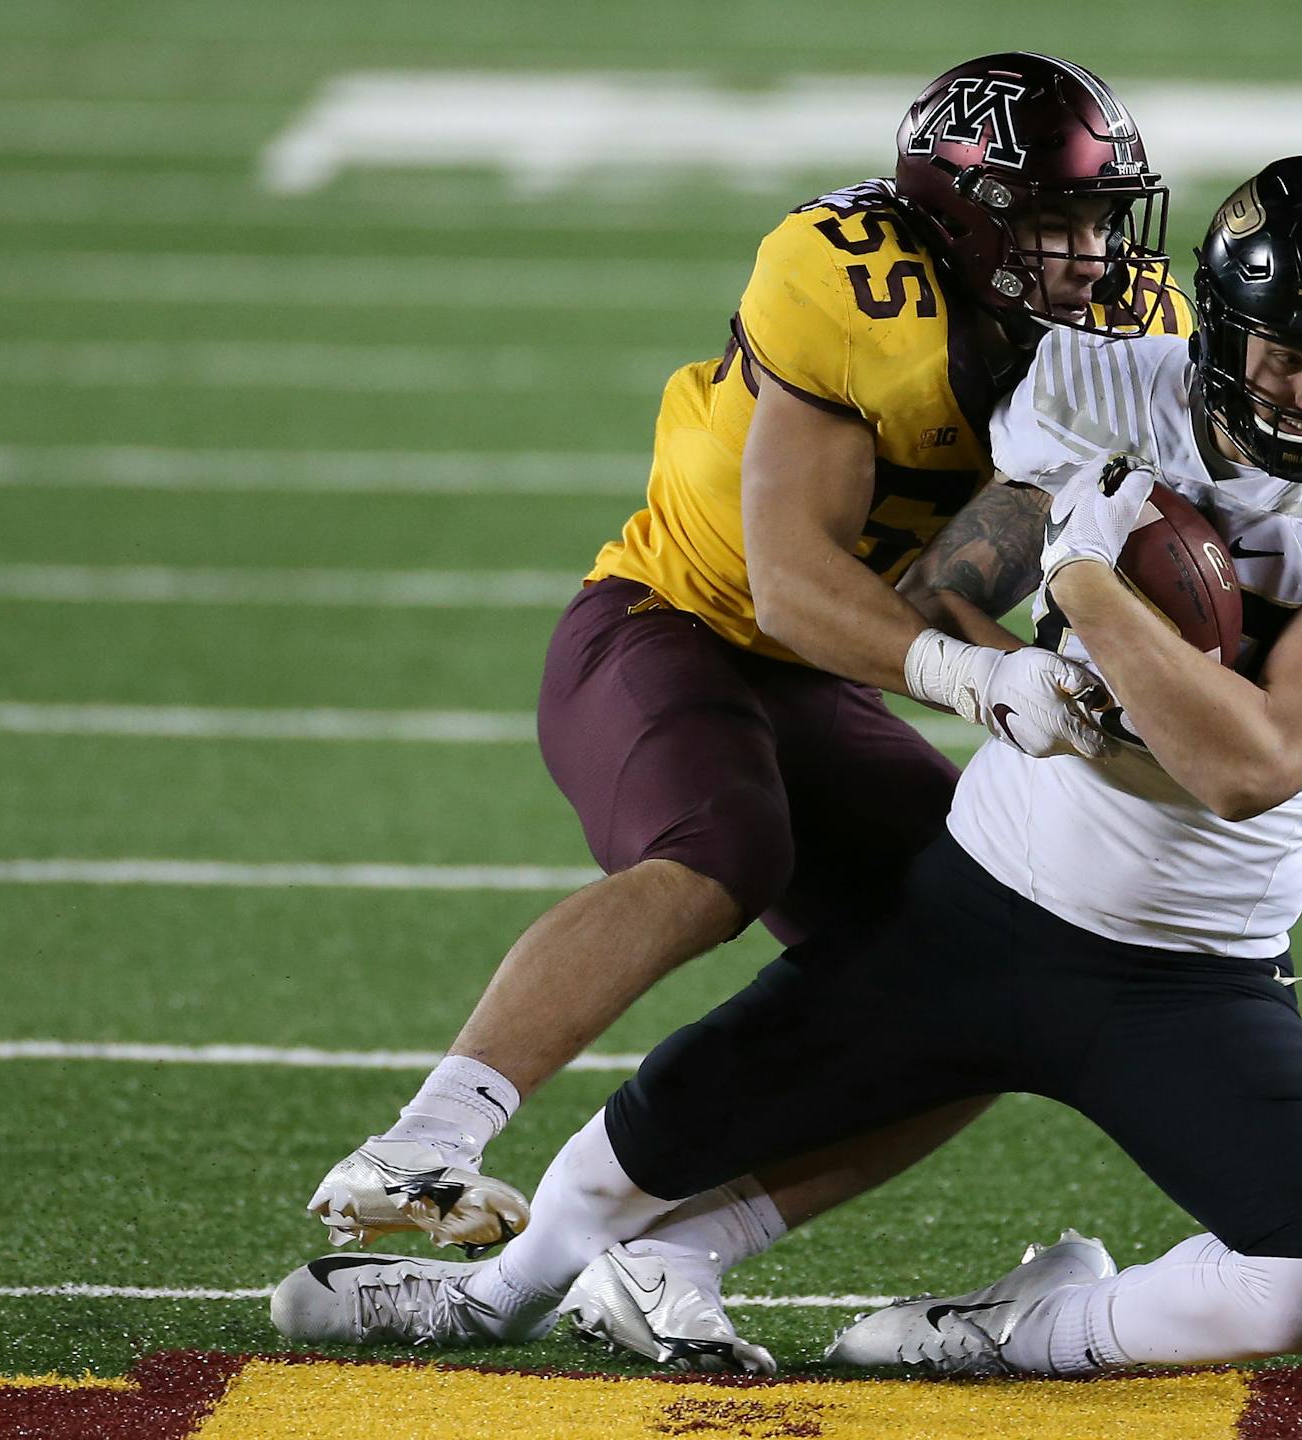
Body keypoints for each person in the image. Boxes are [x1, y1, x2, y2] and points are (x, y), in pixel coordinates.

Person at [272, 155, 1302, 1377]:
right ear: (1223, 330)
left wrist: (1083, 583)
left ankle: (1018, 1331)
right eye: (1287, 355)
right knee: (651, 1133)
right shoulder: (1104, 379)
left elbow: (1253, 765)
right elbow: (941, 592)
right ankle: (490, 1295)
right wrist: (1019, 675)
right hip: (983, 902)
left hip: (1198, 964)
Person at [299, 53, 1187, 1371]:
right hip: (669, 624)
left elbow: (963, 573)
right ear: (958, 216)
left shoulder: (1124, 327)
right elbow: (788, 589)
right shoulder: (851, 284)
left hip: (827, 673)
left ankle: (674, 1253)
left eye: (1102, 217)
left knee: (1005, 958)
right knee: (725, 847)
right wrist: (981, 682)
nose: (1088, 251)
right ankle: (426, 1141)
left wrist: (1069, 668)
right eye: (1050, 220)